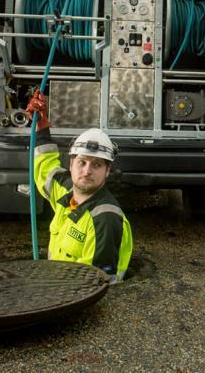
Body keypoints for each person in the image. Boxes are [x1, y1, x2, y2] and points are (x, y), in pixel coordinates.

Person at [26, 90, 133, 282]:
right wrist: (41, 127)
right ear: (71, 165)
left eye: (97, 164)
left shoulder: (105, 219)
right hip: (57, 286)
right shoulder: (65, 192)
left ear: (107, 171)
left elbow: (95, 283)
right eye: (82, 162)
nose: (87, 171)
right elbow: (45, 168)